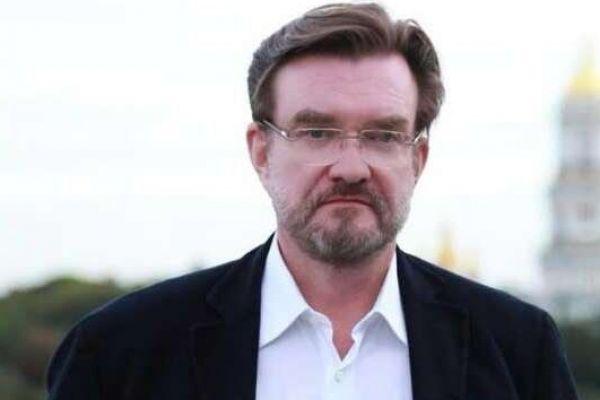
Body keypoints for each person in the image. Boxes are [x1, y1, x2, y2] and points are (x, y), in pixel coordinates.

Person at [46, 3, 578, 399]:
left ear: (417, 159)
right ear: (261, 151)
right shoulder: (119, 354)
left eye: (383, 135)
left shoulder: (517, 352)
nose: (350, 166)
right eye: (317, 132)